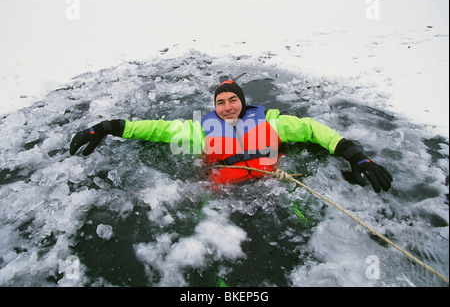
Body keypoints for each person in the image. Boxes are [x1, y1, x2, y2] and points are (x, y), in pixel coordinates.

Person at [70, 80, 393, 192]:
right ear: (215, 107)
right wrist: (105, 126)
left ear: (242, 101)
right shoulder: (199, 130)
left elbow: (312, 129)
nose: (227, 107)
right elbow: (156, 129)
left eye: (232, 100)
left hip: (273, 184)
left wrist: (356, 156)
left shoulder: (271, 122)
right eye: (221, 102)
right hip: (222, 191)